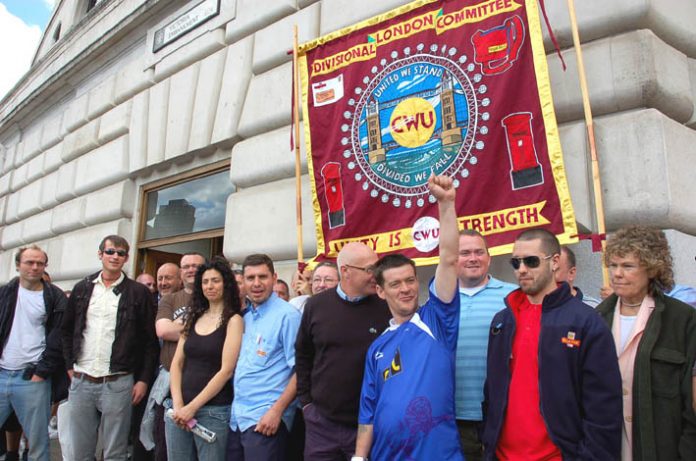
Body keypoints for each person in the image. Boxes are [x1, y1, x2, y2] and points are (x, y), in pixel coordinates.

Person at [482, 228, 622, 460]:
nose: (522, 269)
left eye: (531, 261)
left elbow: (604, 407)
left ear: (555, 262)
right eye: (515, 263)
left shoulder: (585, 321)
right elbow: (492, 391)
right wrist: (488, 441)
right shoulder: (502, 321)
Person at [354, 174, 462, 461]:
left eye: (410, 280)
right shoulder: (377, 348)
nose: (406, 289)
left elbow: (450, 258)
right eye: (395, 284)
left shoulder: (437, 320)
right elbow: (368, 413)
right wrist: (358, 458)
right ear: (379, 291)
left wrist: (447, 205)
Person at [596, 226, 696, 460]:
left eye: (627, 266)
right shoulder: (596, 319)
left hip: (664, 450)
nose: (617, 274)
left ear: (652, 268)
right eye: (613, 265)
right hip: (609, 449)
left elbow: (690, 405)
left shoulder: (682, 320)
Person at [61, 235, 159, 460]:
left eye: (121, 253)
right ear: (100, 254)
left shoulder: (138, 292)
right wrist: (69, 365)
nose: (115, 256)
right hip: (82, 378)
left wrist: (143, 380)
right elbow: (66, 331)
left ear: (126, 258)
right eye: (110, 251)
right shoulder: (82, 288)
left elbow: (149, 342)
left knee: (115, 452)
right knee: (79, 451)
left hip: (119, 381)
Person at [296, 242, 390, 461]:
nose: (375, 275)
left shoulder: (386, 306)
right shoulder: (316, 306)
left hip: (371, 426)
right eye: (369, 269)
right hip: (322, 425)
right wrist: (307, 404)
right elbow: (303, 355)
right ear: (345, 271)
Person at [166, 258, 243, 460]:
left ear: (226, 283)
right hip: (179, 409)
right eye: (205, 281)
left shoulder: (234, 320)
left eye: (215, 281)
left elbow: (226, 370)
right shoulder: (193, 317)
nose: (210, 286)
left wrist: (193, 407)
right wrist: (178, 404)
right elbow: (177, 364)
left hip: (213, 412)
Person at [227, 254, 302, 460]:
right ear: (243, 281)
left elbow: (301, 371)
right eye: (251, 278)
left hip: (266, 420)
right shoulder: (246, 317)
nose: (257, 283)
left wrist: (276, 411)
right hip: (238, 418)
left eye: (263, 277)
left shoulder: (288, 316)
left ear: (274, 278)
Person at [0, 245, 68, 461]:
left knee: (38, 445)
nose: (35, 267)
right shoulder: (4, 293)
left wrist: (42, 371)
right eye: (30, 262)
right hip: (2, 373)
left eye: (40, 263)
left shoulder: (55, 297)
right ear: (18, 265)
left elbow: (59, 339)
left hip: (33, 378)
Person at [454, 230, 516, 460]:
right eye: (465, 253)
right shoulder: (439, 302)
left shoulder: (512, 297)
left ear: (489, 258)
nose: (473, 258)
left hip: (503, 414)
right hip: (454, 417)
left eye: (479, 252)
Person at [141, 252, 207, 461]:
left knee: (199, 447)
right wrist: (202, 329)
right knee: (165, 446)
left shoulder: (212, 295)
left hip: (203, 383)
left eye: (196, 266)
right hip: (170, 384)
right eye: (186, 266)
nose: (191, 270)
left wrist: (179, 328)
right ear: (181, 272)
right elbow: (163, 331)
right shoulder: (170, 300)